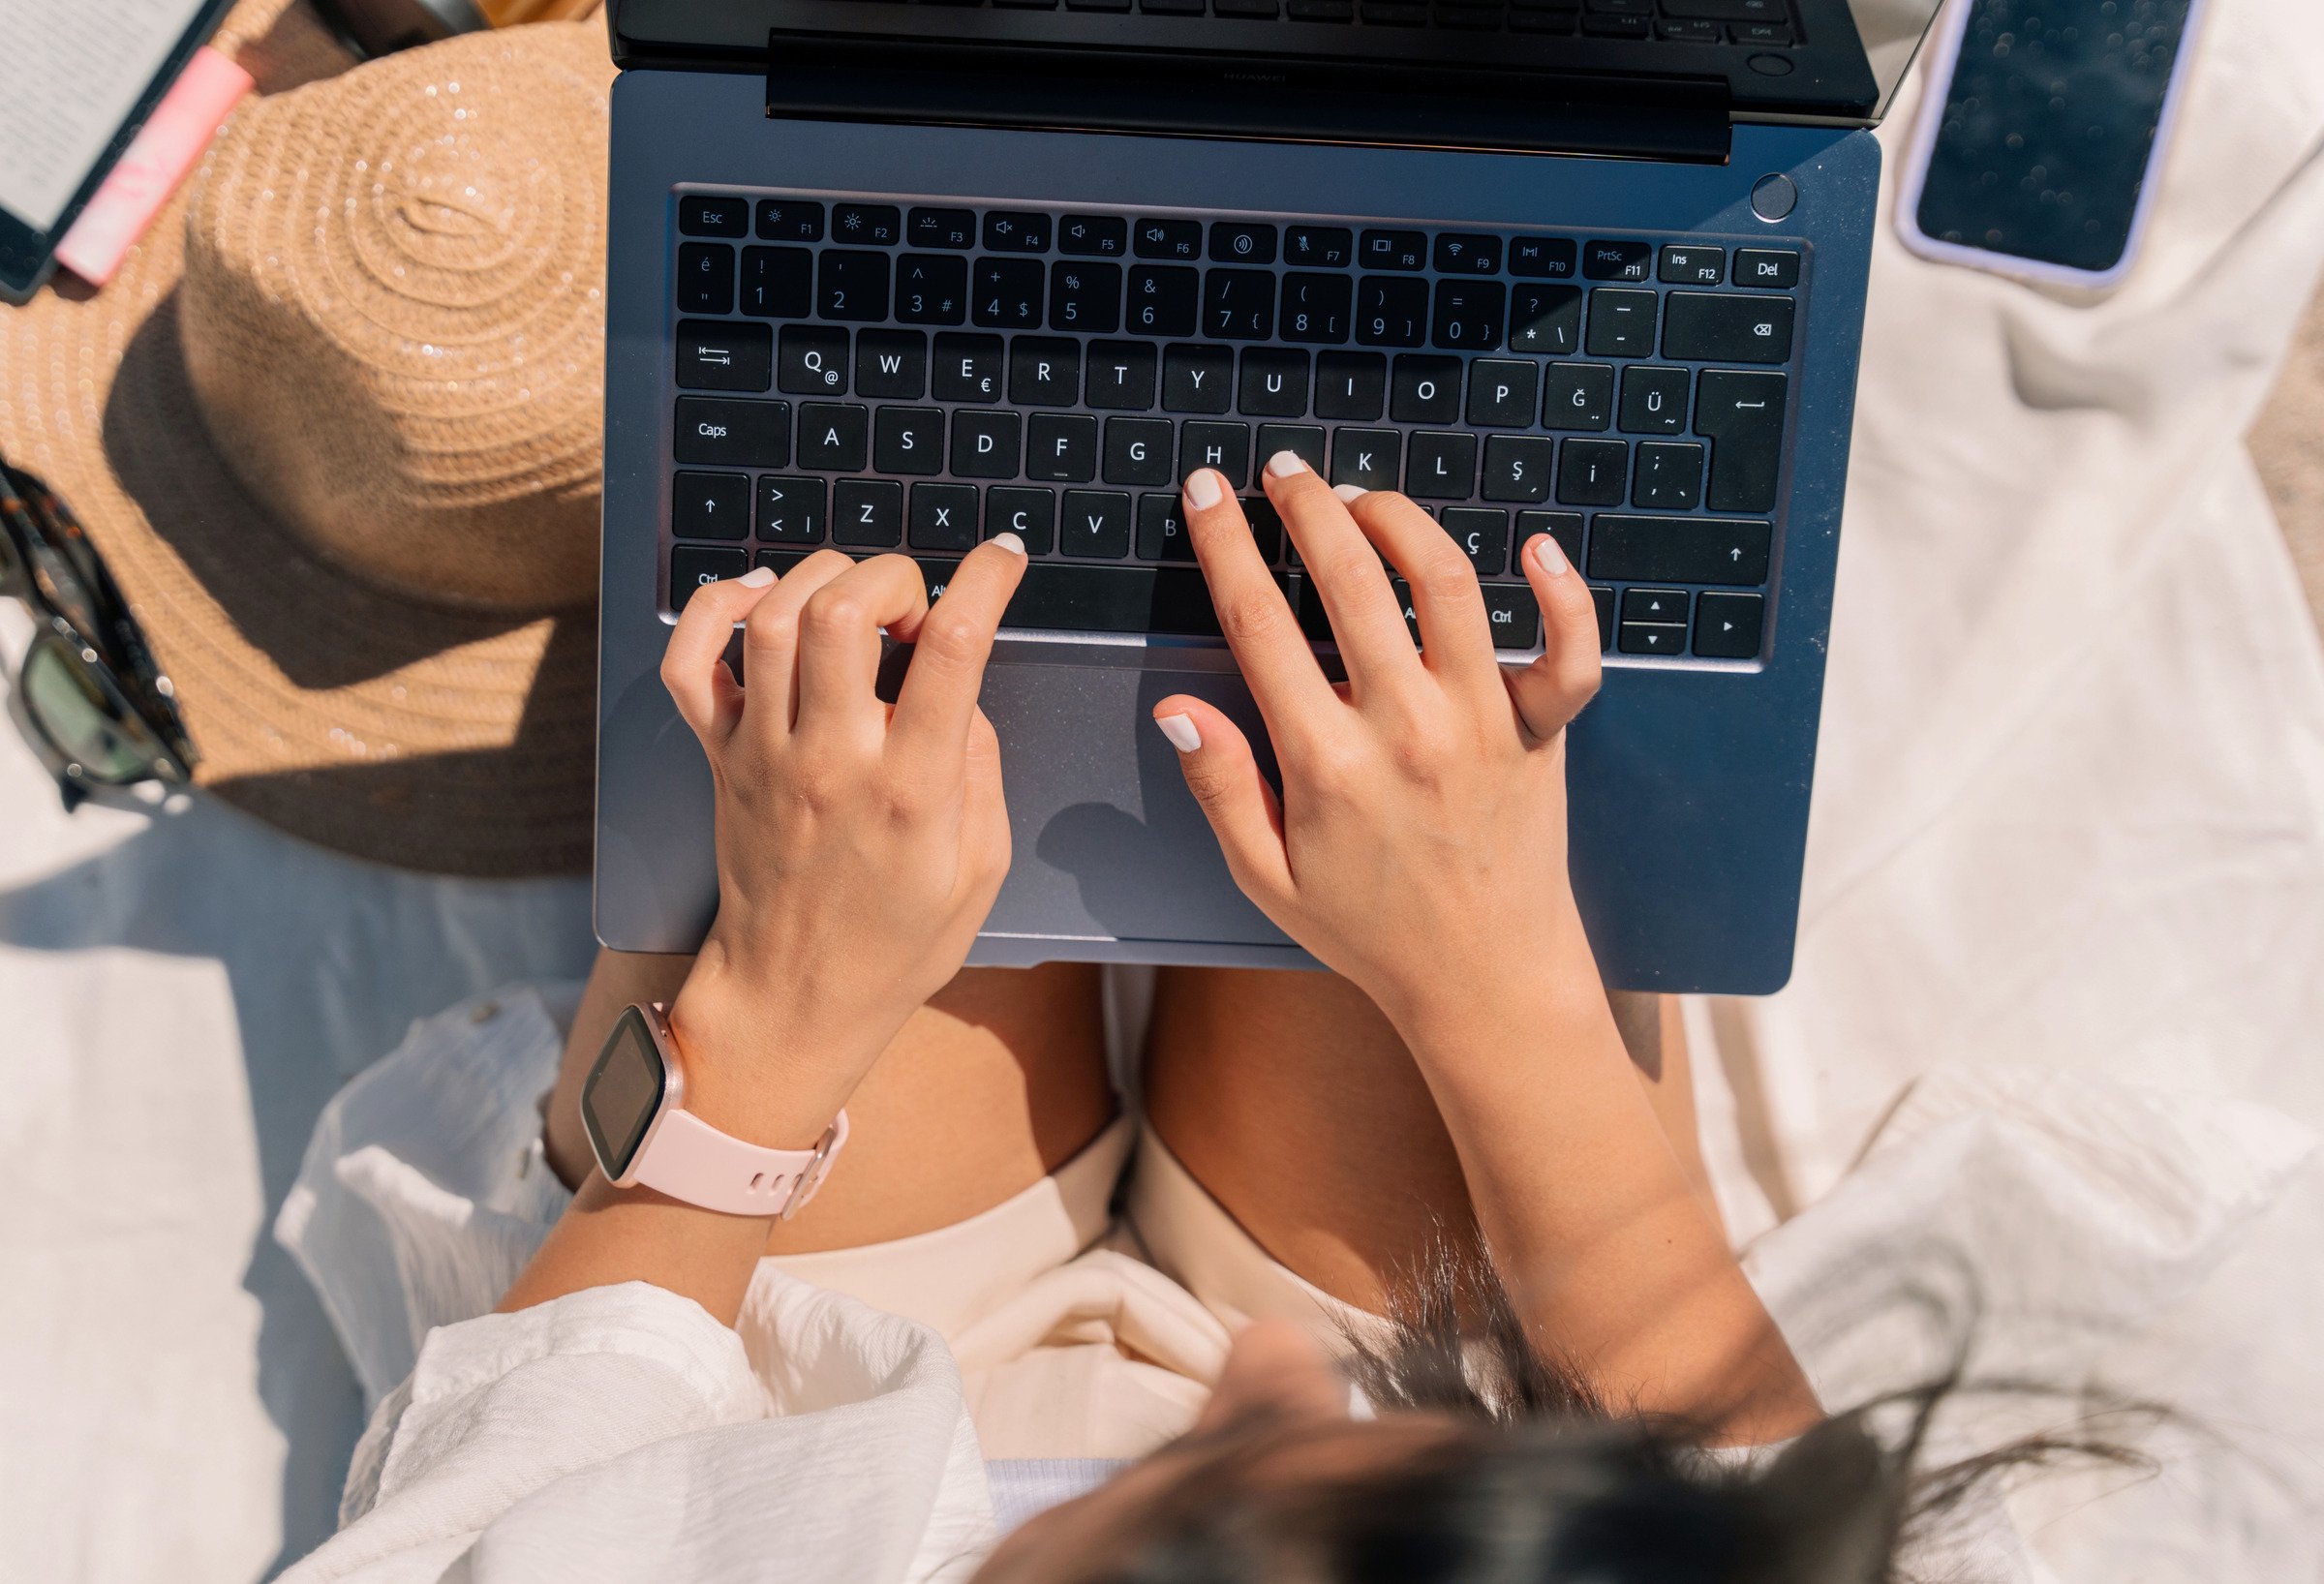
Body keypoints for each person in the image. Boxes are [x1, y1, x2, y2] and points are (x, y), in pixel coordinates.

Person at [279, 457, 2081, 1582]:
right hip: (1443, 1454)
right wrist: (1498, 975)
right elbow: (1737, 1468)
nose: (1257, 1368)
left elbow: (528, 1469)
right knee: (1407, 605)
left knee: (866, 565)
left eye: (1210, 1463)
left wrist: (774, 1014)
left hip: (758, 1438)